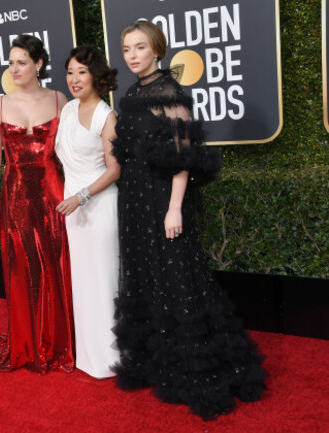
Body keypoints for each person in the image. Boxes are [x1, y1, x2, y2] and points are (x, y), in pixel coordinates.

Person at [111, 21, 266, 419]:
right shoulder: (130, 94)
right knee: (147, 277)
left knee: (179, 279)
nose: (132, 55)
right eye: (127, 48)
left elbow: (184, 156)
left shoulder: (170, 92)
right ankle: (160, 363)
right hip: (133, 201)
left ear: (157, 50)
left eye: (139, 47)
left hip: (164, 199)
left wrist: (175, 207)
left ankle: (200, 368)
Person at [0, 34, 74, 373]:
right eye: (10, 62)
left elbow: (71, 152)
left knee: (57, 266)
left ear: (39, 64)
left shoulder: (61, 99)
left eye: (21, 62)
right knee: (23, 270)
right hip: (16, 196)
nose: (13, 68)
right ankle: (28, 341)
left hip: (54, 195)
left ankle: (60, 340)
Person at [55, 46, 121, 379]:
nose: (74, 79)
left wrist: (81, 197)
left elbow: (114, 170)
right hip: (74, 212)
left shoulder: (106, 115)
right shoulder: (67, 110)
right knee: (83, 283)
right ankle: (89, 355)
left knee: (103, 281)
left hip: (98, 208)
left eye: (81, 71)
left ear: (96, 74)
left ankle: (112, 358)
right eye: (70, 72)